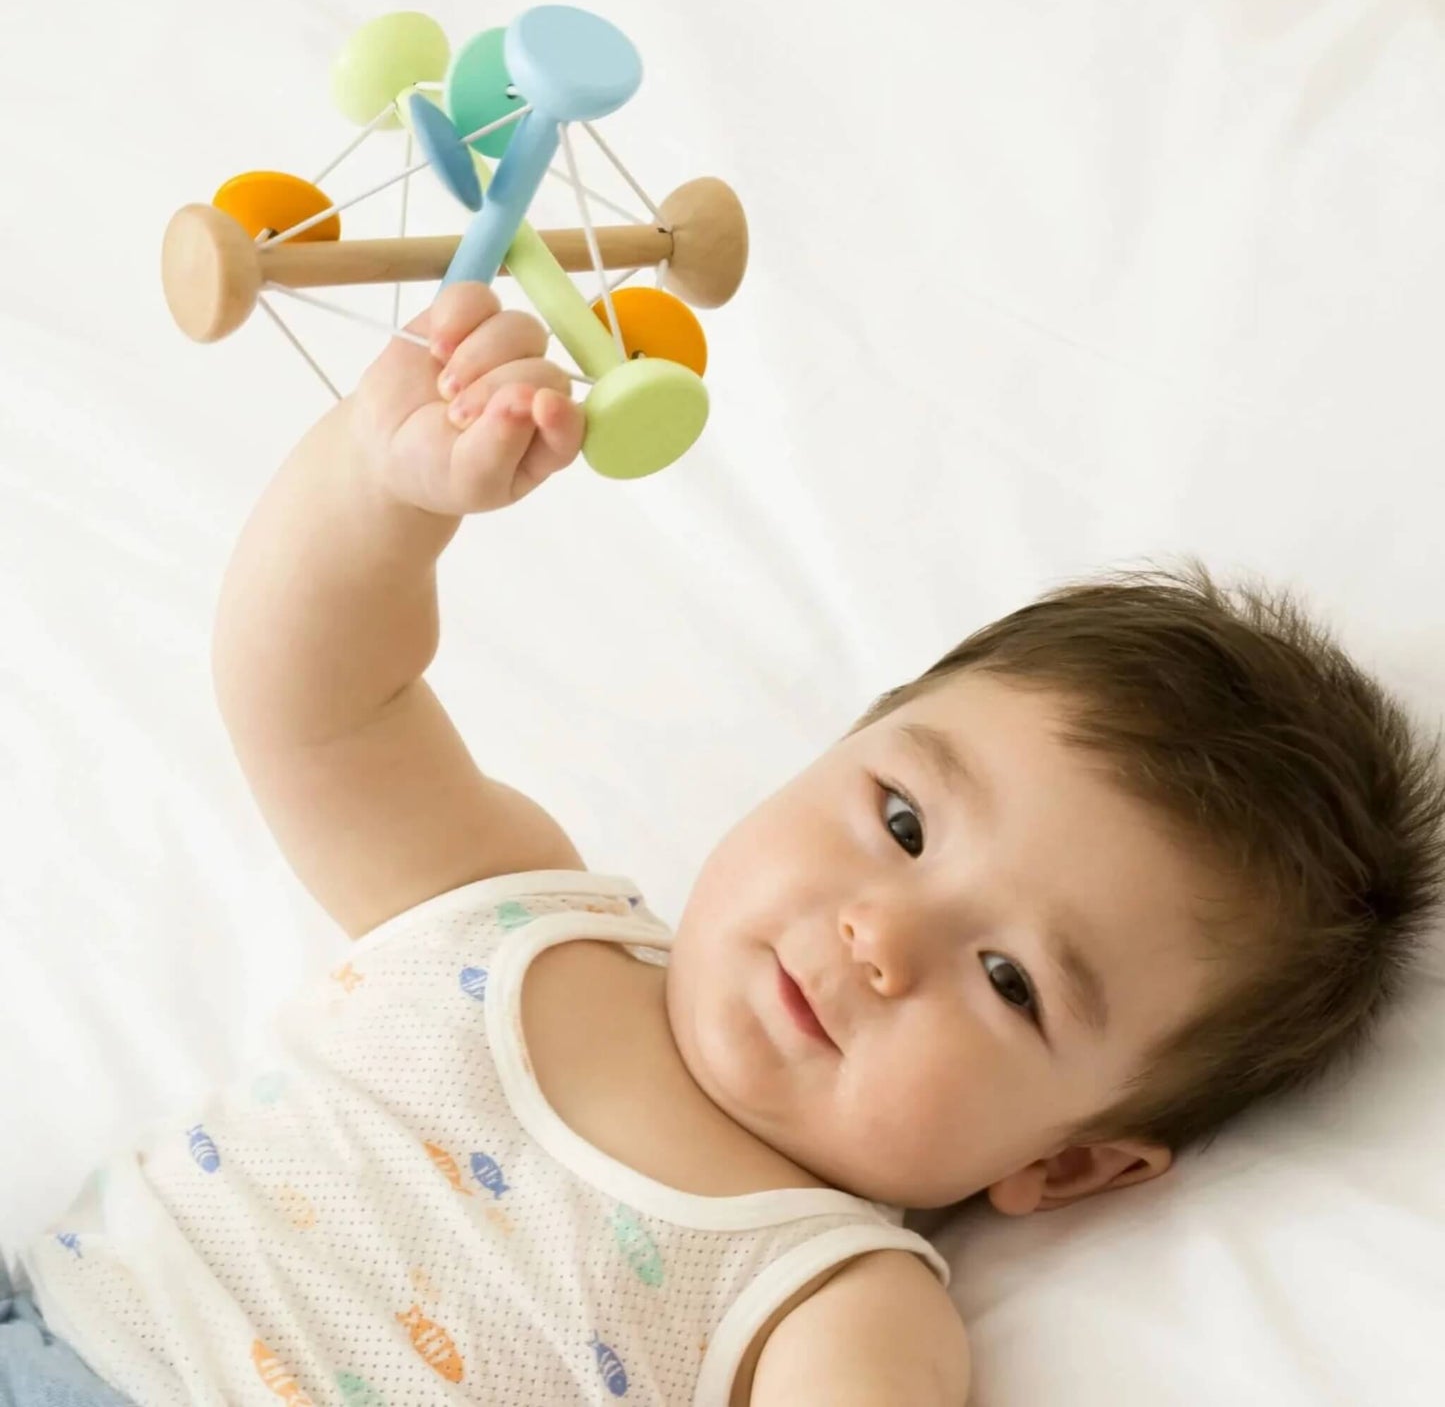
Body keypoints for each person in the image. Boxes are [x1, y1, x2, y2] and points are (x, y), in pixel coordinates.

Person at [5, 283, 1443, 1406]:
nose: (882, 938)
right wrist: (380, 495)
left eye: (1009, 978)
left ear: (1067, 1168)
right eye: (898, 821)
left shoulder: (837, 1298)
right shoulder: (512, 915)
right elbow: (316, 701)